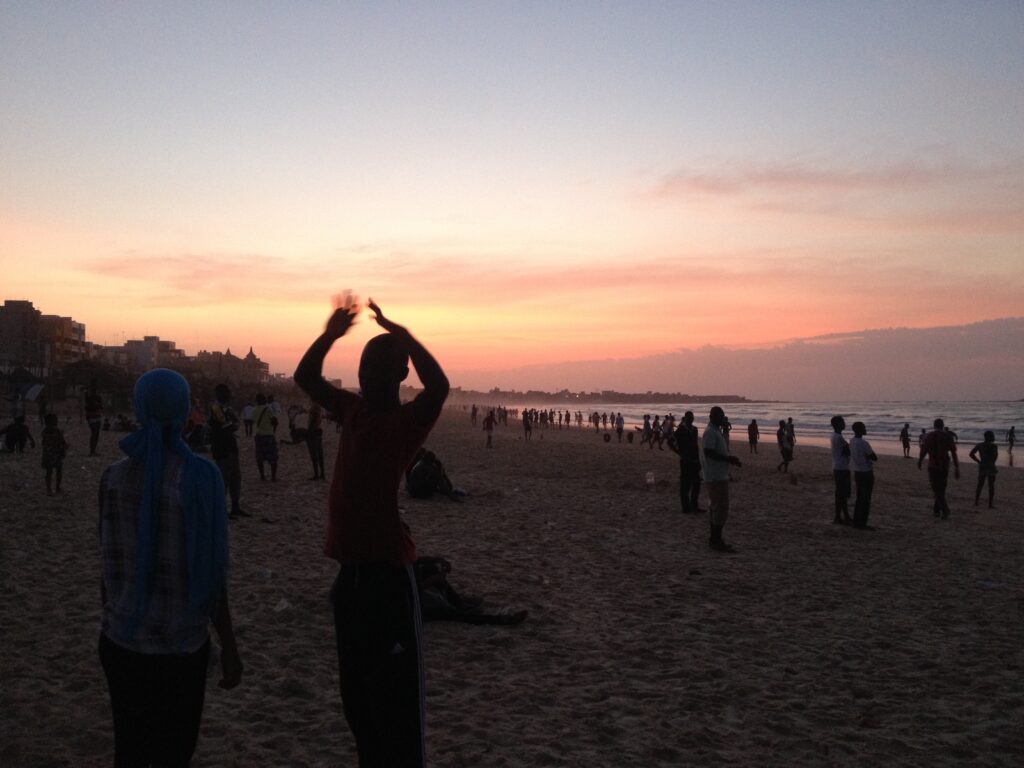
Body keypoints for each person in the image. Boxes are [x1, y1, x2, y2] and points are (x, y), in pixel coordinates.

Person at [294, 295, 448, 767]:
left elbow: (439, 386)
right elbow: (306, 378)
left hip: (388, 578)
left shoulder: (405, 423)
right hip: (350, 578)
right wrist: (330, 334)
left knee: (396, 707)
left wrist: (401, 334)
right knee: (358, 702)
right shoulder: (352, 410)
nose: (366, 377)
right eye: (363, 368)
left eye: (379, 370)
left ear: (400, 376)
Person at [98, 369, 242, 766]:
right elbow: (212, 573)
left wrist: (113, 619)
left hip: (120, 641)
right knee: (174, 752)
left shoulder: (111, 478)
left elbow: (108, 566)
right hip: (178, 647)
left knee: (129, 749)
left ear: (140, 409)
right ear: (182, 412)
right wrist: (228, 644)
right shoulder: (201, 478)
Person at [703, 406, 742, 552]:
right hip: (715, 477)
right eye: (720, 416)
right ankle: (716, 540)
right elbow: (709, 452)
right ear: (712, 417)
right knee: (720, 509)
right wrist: (728, 458)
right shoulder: (710, 432)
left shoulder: (715, 431)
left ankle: (715, 539)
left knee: (716, 508)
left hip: (718, 475)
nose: (722, 419)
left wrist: (729, 460)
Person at [209, 384, 247, 518]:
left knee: (235, 479)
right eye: (227, 392)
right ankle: (222, 510)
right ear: (220, 393)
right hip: (222, 448)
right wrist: (232, 424)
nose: (230, 394)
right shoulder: (216, 408)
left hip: (230, 447)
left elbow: (234, 423)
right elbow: (229, 425)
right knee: (223, 480)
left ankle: (235, 507)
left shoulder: (225, 408)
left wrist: (232, 424)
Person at [918, 418, 959, 519]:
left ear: (934, 426)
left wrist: (920, 461)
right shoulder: (948, 436)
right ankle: (936, 510)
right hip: (944, 465)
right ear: (942, 425)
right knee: (942, 488)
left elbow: (924, 450)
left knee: (936, 488)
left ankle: (944, 510)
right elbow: (953, 452)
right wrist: (957, 466)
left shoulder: (929, 436)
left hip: (933, 465)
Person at [671, 411, 704, 515]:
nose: (691, 419)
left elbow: (695, 445)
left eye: (692, 417)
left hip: (694, 460)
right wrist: (679, 453)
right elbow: (670, 441)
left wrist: (698, 460)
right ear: (685, 418)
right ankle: (685, 508)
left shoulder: (695, 429)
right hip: (685, 461)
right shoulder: (681, 430)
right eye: (689, 417)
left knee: (697, 484)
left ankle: (694, 506)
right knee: (685, 485)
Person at [849, 421, 877, 530]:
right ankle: (862, 523)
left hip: (857, 471)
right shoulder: (864, 443)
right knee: (865, 498)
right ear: (860, 430)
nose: (865, 429)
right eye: (864, 427)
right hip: (866, 471)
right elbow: (874, 457)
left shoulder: (852, 441)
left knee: (859, 497)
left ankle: (857, 521)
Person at [829, 416, 852, 525]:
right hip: (841, 467)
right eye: (842, 421)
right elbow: (846, 452)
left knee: (840, 493)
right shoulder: (838, 437)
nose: (844, 423)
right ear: (838, 424)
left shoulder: (835, 436)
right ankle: (840, 516)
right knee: (842, 494)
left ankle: (843, 516)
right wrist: (849, 446)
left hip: (838, 466)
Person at [251, 394, 279, 481]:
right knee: (273, 457)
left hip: (259, 435)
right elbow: (275, 421)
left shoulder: (254, 410)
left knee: (260, 457)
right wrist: (273, 429)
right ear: (264, 400)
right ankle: (273, 477)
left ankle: (262, 476)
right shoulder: (268, 410)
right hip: (269, 435)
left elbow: (254, 421)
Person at [40, 412, 68, 496]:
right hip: (53, 454)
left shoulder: (49, 431)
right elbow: (58, 441)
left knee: (54, 471)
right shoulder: (51, 432)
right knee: (53, 471)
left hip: (52, 454)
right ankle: (53, 488)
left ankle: (53, 488)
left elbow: (61, 441)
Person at [969, 431, 998, 508]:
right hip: (991, 466)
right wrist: (992, 462)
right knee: (991, 486)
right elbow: (995, 457)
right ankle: (990, 504)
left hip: (983, 466)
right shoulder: (994, 446)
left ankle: (976, 502)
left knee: (980, 485)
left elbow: (971, 454)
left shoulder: (980, 445)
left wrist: (978, 461)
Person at [307, 402, 326, 480]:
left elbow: (313, 420)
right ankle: (322, 474)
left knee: (314, 454)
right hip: (318, 431)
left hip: (313, 432)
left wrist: (309, 431)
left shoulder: (315, 407)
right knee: (320, 454)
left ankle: (316, 475)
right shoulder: (320, 407)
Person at [86, 388, 104, 455]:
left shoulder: (93, 397)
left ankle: (93, 450)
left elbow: (100, 406)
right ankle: (92, 450)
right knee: (94, 434)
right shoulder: (89, 398)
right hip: (93, 417)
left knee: (95, 434)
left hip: (95, 416)